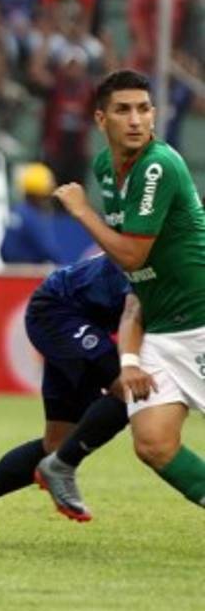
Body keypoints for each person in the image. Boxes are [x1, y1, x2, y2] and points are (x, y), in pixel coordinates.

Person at [49, 70, 205, 512]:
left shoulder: (158, 164)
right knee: (154, 443)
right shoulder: (105, 168)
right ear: (101, 119)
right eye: (123, 110)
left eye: (143, 108)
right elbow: (136, 282)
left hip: (200, 321)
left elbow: (133, 257)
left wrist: (81, 212)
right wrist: (131, 358)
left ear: (154, 115)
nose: (136, 119)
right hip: (161, 329)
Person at [0, 255, 132, 540]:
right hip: (60, 312)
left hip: (71, 313)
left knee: (58, 443)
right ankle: (62, 467)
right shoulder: (171, 245)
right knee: (132, 392)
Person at [0, 163, 73, 265]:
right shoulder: (31, 216)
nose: (47, 202)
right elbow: (48, 250)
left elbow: (4, 251)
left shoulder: (16, 211)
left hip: (10, 270)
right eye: (45, 197)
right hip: (29, 273)